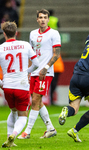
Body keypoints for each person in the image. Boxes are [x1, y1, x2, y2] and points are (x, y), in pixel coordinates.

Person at [17, 9, 61, 139]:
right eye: (40, 17)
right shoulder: (32, 34)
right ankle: (50, 128)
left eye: (45, 17)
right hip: (35, 72)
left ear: (48, 19)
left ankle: (27, 132)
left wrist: (46, 67)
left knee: (35, 99)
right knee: (37, 100)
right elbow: (31, 55)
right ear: (37, 19)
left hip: (45, 72)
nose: (42, 19)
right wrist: (29, 71)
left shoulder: (54, 33)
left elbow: (56, 54)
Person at [0, 21, 39, 147]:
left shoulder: (0, 48)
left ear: (4, 34)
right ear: (16, 33)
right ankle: (14, 134)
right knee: (22, 116)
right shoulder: (25, 45)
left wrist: (1, 83)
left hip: (7, 86)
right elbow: (37, 64)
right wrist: (26, 72)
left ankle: (9, 138)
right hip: (21, 85)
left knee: (13, 111)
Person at [47, 9, 64, 105]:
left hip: (52, 66)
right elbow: (59, 28)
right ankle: (51, 99)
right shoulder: (55, 19)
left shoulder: (47, 21)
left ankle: (50, 99)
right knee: (54, 84)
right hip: (57, 67)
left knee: (50, 84)